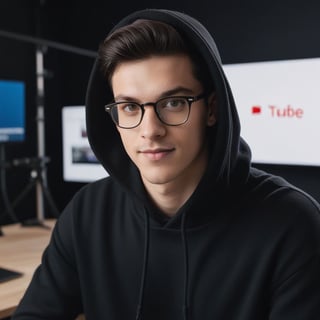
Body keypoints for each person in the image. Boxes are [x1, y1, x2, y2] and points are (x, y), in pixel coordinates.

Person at [13, 9, 320, 320]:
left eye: (173, 103)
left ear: (212, 109)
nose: (150, 130)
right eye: (130, 107)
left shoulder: (292, 225)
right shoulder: (88, 213)